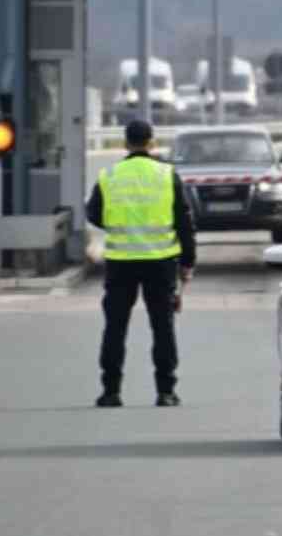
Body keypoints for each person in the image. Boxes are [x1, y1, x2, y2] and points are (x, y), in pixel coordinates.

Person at [85, 119, 196, 408]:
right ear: (151, 142)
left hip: (121, 263)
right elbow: (184, 221)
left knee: (115, 327)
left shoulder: (109, 175)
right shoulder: (166, 175)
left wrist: (119, 223)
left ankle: (111, 391)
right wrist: (188, 262)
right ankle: (166, 391)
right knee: (162, 326)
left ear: (125, 143)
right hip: (160, 263)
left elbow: (93, 213)